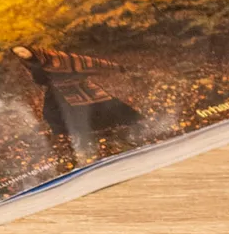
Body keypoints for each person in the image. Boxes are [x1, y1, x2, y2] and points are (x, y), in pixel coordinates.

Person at [11, 43, 141, 158]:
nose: (22, 54)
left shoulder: (53, 56)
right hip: (56, 89)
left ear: (29, 49)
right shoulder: (29, 64)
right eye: (18, 54)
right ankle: (78, 137)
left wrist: (117, 67)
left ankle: (128, 125)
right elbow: (41, 81)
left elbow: (85, 62)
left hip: (77, 84)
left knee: (101, 104)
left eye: (22, 51)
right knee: (51, 113)